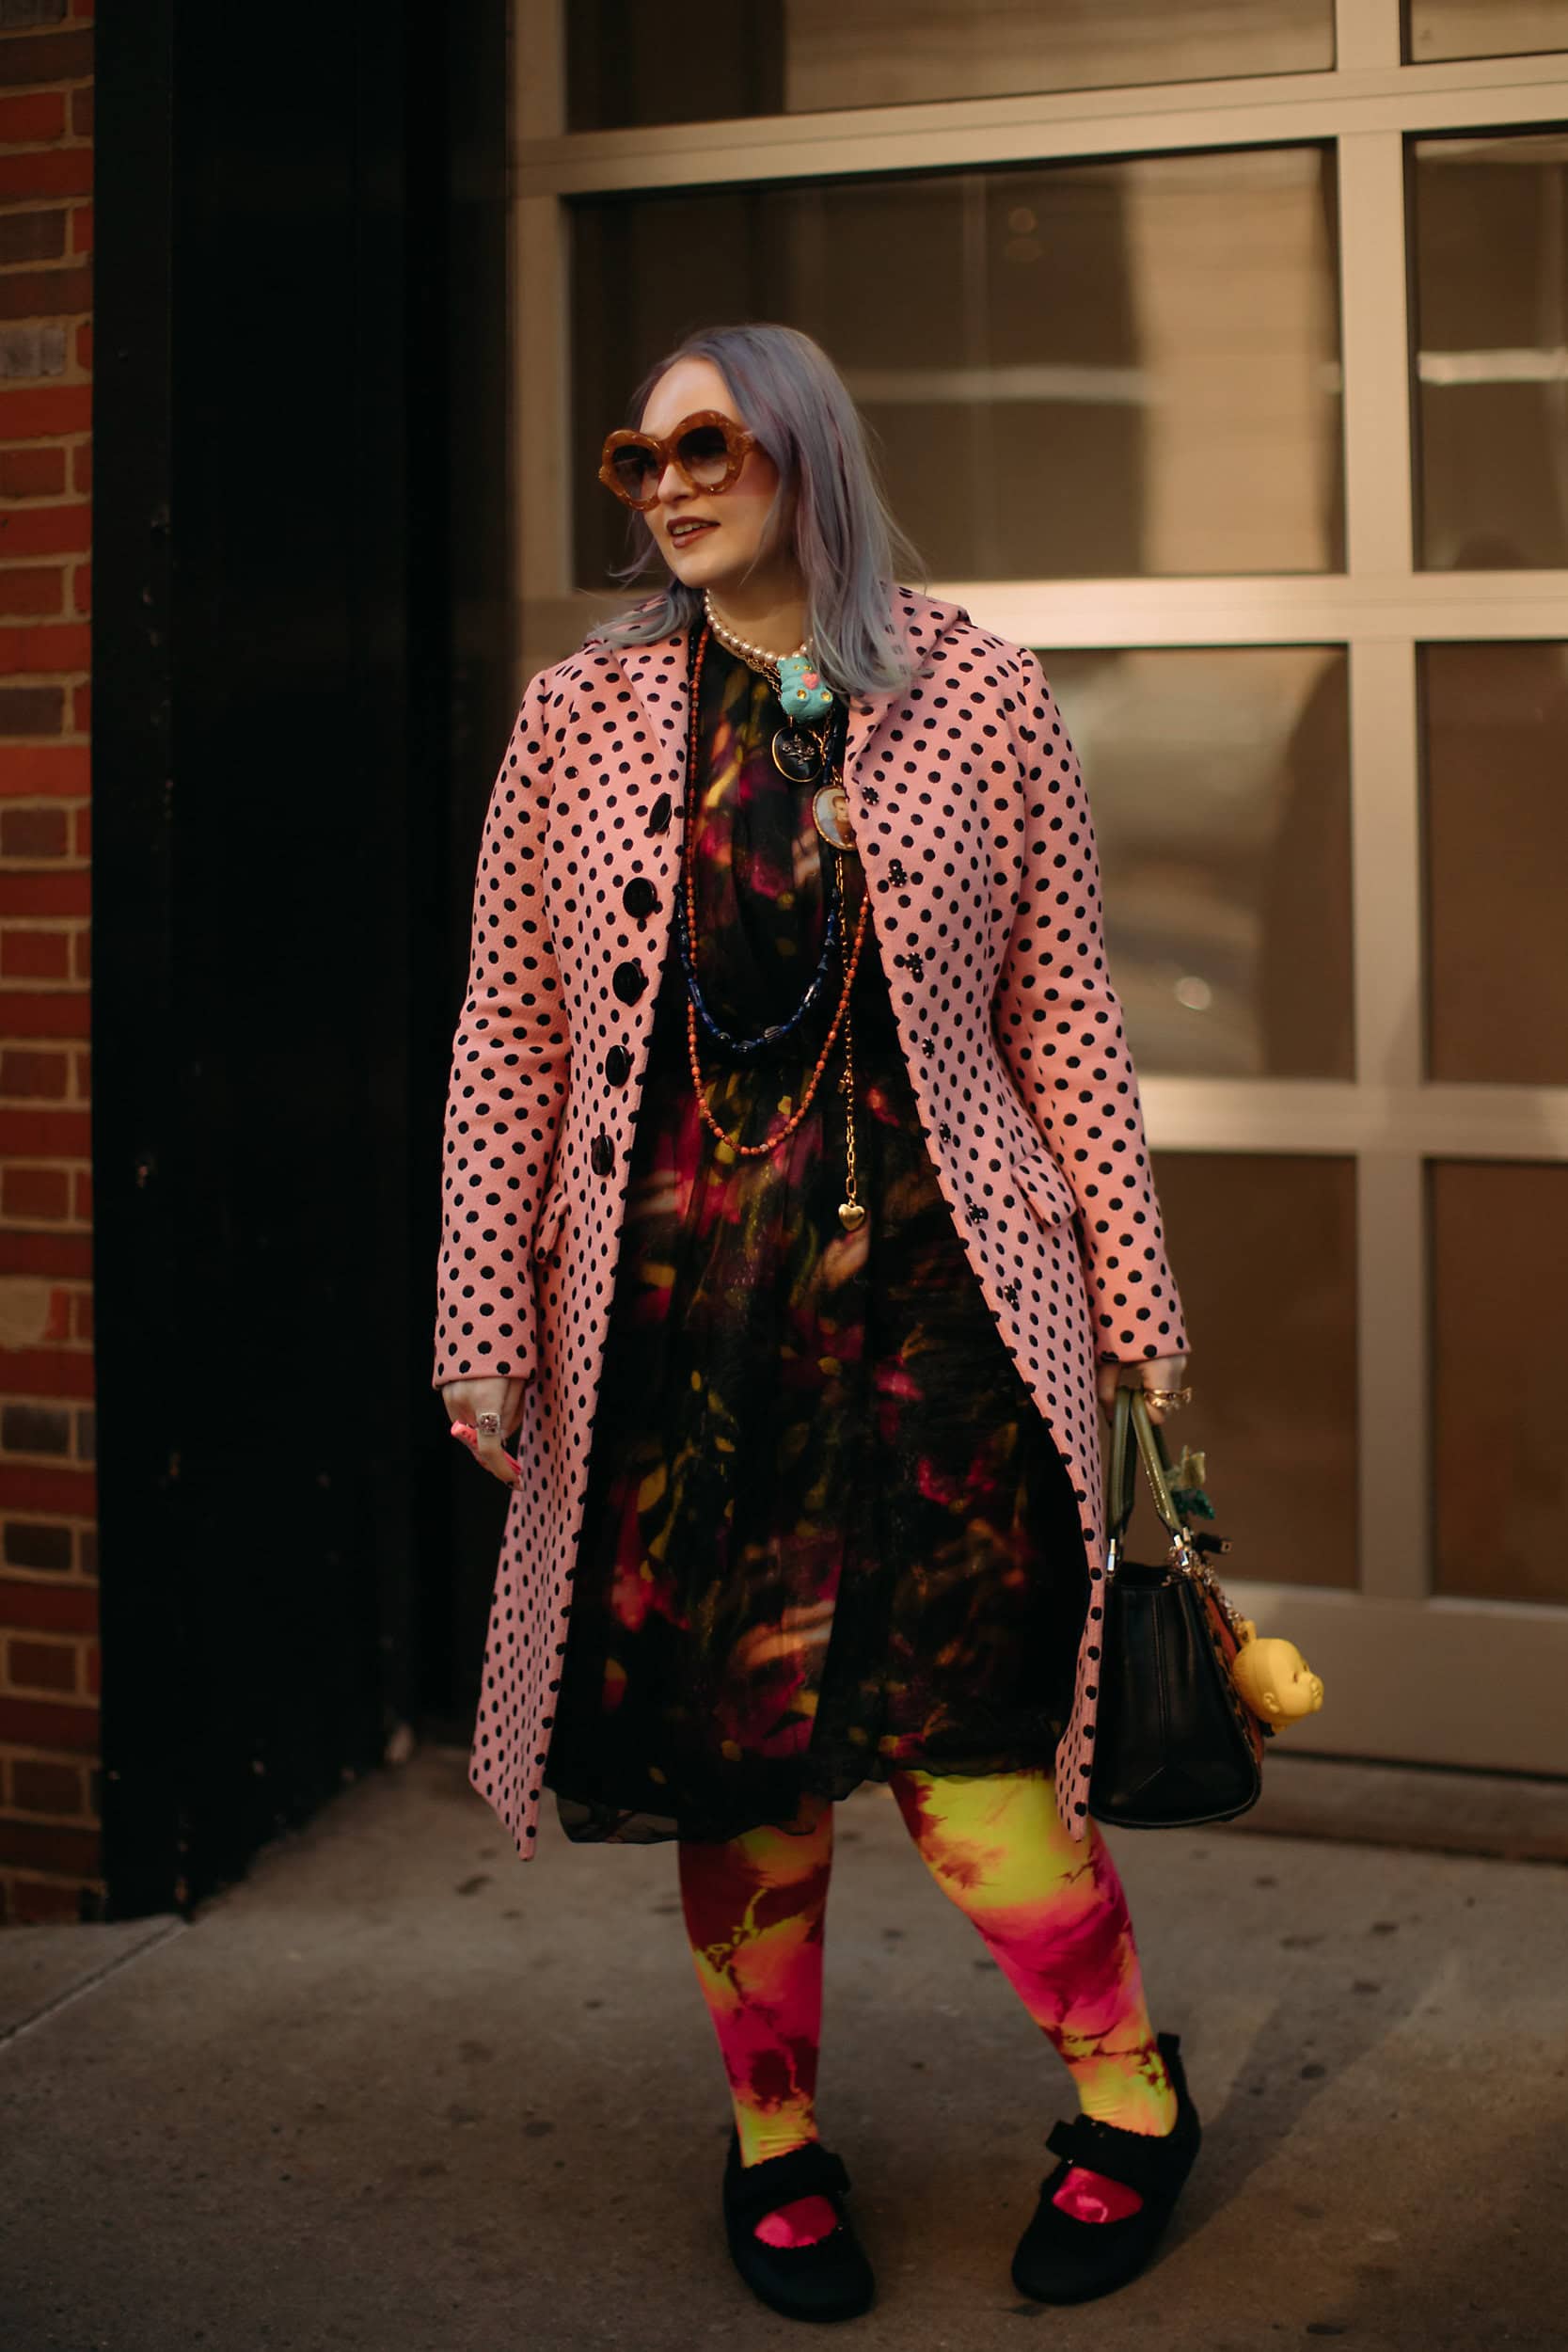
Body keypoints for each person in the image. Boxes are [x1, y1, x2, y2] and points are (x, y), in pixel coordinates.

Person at [434, 322, 1200, 2323]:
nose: (670, 485)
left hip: (944, 1317)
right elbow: (511, 1032)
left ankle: (1132, 2096)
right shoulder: (578, 716)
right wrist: (481, 1308)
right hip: (685, 1332)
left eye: (709, 444)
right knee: (740, 1761)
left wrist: (1137, 1300)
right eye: (641, 456)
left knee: (979, 1765)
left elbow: (1065, 1013)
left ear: (805, 451)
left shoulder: (981, 691)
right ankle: (774, 2137)